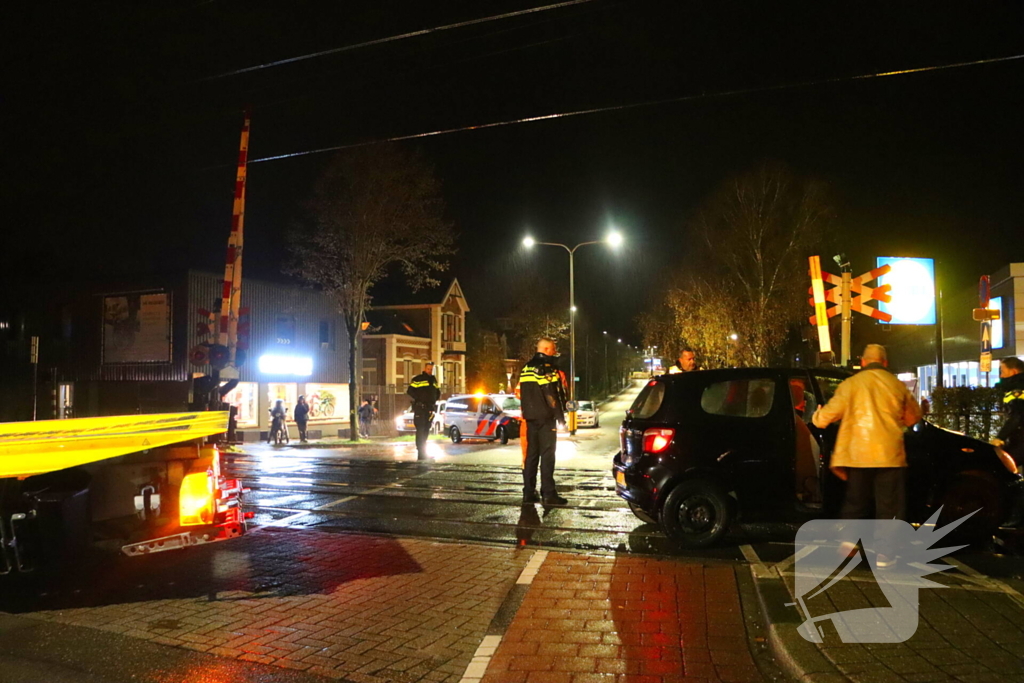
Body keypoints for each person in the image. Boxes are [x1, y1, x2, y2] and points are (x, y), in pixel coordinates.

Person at [812, 344, 922, 567]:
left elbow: (826, 418)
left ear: (863, 361)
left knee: (856, 499)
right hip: (889, 454)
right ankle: (885, 554)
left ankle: (849, 542)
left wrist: (816, 416)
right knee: (889, 506)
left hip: (857, 454)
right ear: (884, 362)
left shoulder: (851, 384)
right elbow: (913, 417)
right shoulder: (896, 384)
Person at [518, 338, 568, 506]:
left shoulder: (526, 368)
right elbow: (551, 394)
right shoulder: (546, 368)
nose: (554, 352)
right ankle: (548, 493)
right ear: (546, 349)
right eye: (553, 349)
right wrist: (560, 417)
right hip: (546, 418)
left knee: (531, 455)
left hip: (530, 417)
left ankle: (528, 492)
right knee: (547, 456)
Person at [992, 357, 1024, 461]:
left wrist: (1000, 437)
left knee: (1004, 464)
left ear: (1013, 371)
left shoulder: (1018, 389)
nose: (1001, 376)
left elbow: (1017, 415)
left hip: (1021, 438)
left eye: (1003, 371)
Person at [407, 361, 441, 458]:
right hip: (420, 409)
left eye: (431, 369)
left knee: (426, 430)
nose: (430, 371)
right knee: (421, 430)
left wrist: (434, 400)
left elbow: (437, 392)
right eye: (428, 369)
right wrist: (420, 399)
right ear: (424, 369)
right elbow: (410, 391)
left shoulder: (434, 380)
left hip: (429, 409)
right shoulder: (418, 379)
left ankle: (424, 452)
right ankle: (420, 453)